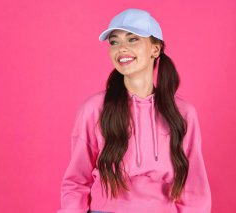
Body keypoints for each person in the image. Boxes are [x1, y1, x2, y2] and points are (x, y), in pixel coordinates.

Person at [57, 8, 211, 213]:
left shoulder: (183, 113)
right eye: (114, 42)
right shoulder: (95, 109)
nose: (121, 48)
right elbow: (76, 180)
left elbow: (194, 187)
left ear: (155, 49)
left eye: (132, 40)